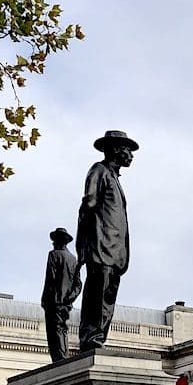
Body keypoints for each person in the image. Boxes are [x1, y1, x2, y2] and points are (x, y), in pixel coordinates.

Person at [76, 130, 139, 351]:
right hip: (100, 246)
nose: (131, 154)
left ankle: (98, 337)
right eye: (127, 149)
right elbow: (88, 205)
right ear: (115, 149)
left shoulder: (114, 177)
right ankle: (90, 337)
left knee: (108, 297)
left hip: (115, 252)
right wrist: (83, 244)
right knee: (97, 294)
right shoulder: (99, 170)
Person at [41, 227, 81, 362]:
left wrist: (45, 300)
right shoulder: (73, 259)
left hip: (53, 300)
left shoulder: (53, 255)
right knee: (62, 328)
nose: (53, 243)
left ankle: (59, 358)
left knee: (53, 330)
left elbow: (50, 279)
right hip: (66, 303)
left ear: (58, 241)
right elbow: (78, 284)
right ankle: (63, 355)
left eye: (54, 240)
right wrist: (70, 298)